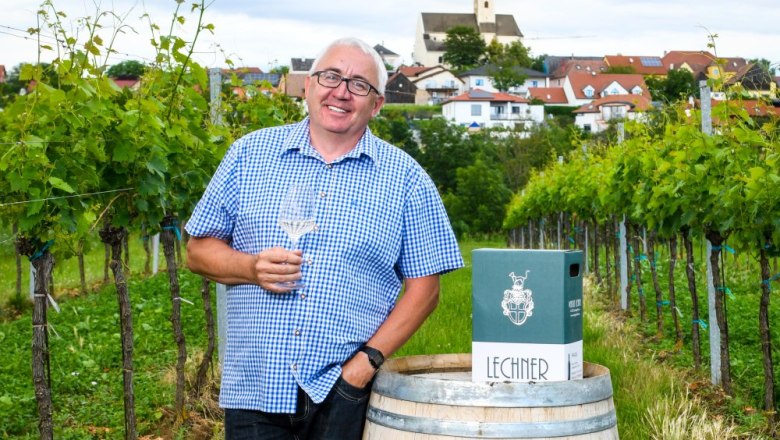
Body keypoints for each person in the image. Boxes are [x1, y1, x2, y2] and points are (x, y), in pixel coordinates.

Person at [185, 36, 463, 439]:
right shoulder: (248, 155)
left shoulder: (407, 179)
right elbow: (197, 251)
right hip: (255, 387)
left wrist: (363, 366)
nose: (342, 92)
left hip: (346, 393)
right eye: (331, 76)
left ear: (377, 103)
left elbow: (426, 290)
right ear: (309, 85)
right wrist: (250, 268)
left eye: (359, 85)